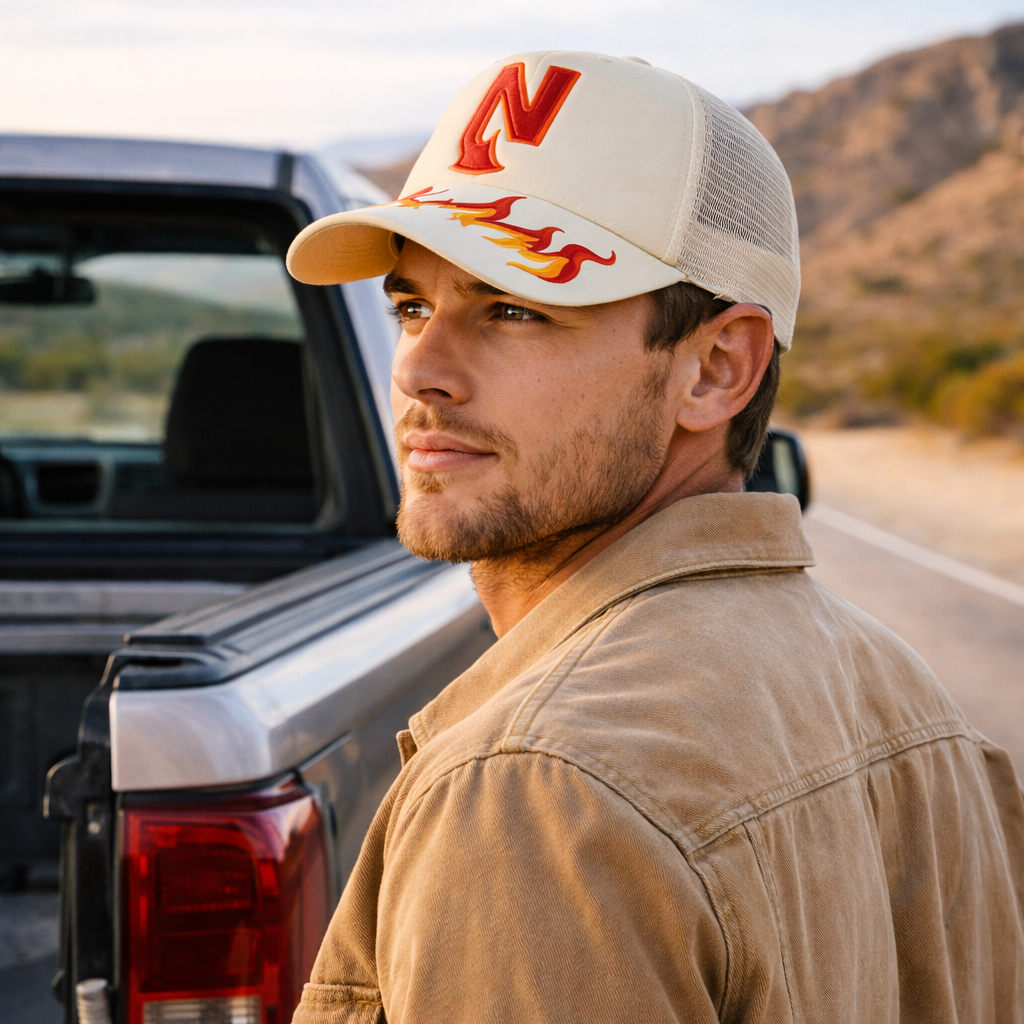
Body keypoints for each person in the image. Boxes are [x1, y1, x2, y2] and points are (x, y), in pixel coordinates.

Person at [286, 51, 1024, 1023]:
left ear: (717, 368)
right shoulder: (916, 705)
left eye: (512, 308)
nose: (419, 368)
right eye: (413, 305)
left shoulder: (533, 793)